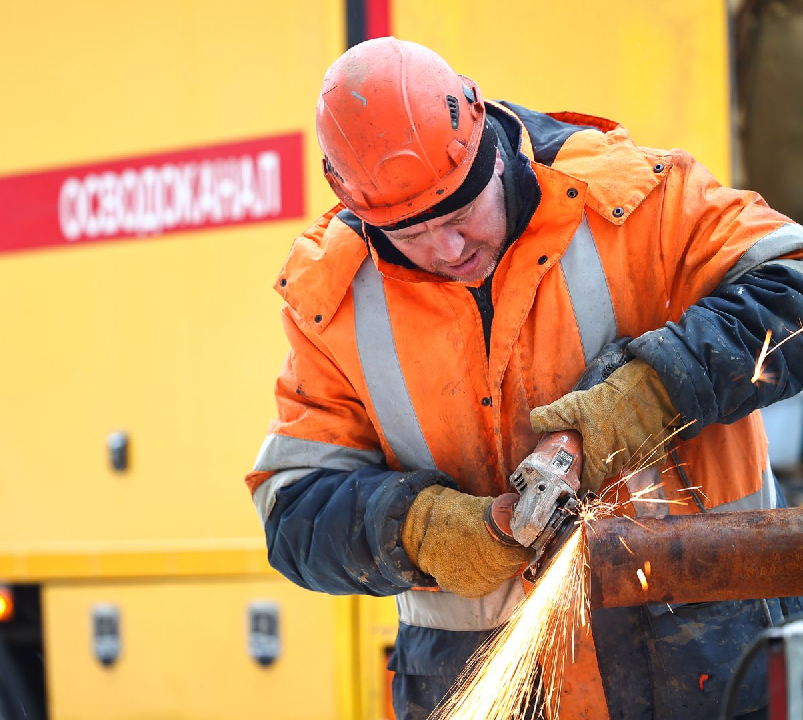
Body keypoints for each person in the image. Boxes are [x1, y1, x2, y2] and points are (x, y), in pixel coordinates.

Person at [245, 37, 803, 719]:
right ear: (354, 202)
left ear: (488, 143)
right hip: (490, 688)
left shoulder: (633, 201)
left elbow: (794, 287)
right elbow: (294, 509)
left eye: (458, 214)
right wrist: (420, 531)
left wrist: (655, 393)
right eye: (410, 234)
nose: (447, 249)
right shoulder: (334, 300)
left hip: (706, 672)